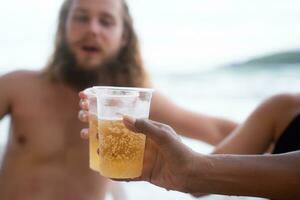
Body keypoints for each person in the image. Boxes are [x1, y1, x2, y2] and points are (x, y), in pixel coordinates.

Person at [0, 0, 237, 199]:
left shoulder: (137, 103)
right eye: (81, 18)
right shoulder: (17, 86)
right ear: (63, 28)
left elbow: (219, 130)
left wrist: (197, 178)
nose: (93, 29)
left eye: (106, 21)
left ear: (123, 37)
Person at [96, 93, 298, 199]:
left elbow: (214, 132)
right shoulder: (282, 109)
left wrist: (193, 170)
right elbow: (198, 185)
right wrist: (187, 171)